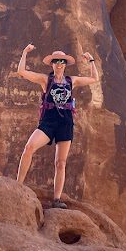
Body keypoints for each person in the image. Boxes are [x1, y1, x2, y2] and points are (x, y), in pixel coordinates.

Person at [15, 43, 99, 208]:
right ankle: (17, 185)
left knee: (60, 162)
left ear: (65, 64)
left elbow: (94, 78)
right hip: (49, 121)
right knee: (29, 147)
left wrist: (91, 61)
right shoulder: (45, 79)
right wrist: (25, 52)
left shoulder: (71, 81)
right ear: (52, 64)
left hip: (65, 123)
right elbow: (21, 72)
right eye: (56, 61)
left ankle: (57, 199)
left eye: (62, 61)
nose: (59, 63)